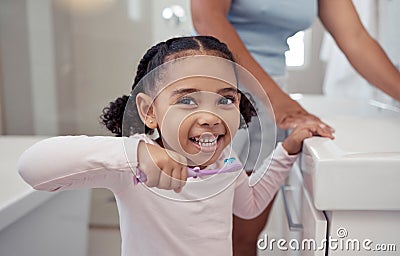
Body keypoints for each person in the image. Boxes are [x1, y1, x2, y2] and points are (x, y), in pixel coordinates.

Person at [18, 36, 333, 256]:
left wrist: (287, 150)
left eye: (225, 99)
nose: (209, 116)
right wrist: (134, 153)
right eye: (187, 100)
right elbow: (33, 167)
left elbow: (247, 205)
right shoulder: (135, 165)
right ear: (149, 111)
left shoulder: (226, 160)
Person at [190, 1, 400, 255]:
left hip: (270, 97)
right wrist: (275, 100)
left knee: (245, 236)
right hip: (216, 93)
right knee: (205, 237)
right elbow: (206, 19)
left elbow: (356, 39)